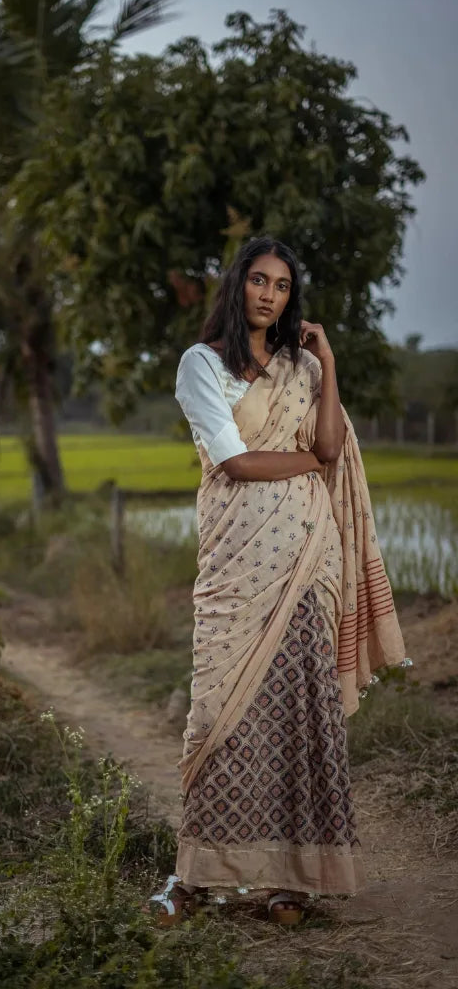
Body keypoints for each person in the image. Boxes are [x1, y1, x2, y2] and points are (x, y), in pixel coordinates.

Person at [149, 236, 410, 927]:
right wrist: (298, 465)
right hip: (236, 560)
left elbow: (327, 448)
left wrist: (327, 362)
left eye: (283, 286)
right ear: (236, 286)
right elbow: (234, 462)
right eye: (258, 281)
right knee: (216, 714)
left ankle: (291, 881)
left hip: (306, 557)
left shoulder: (302, 365)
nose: (269, 294)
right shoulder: (201, 364)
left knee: (300, 710)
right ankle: (197, 875)